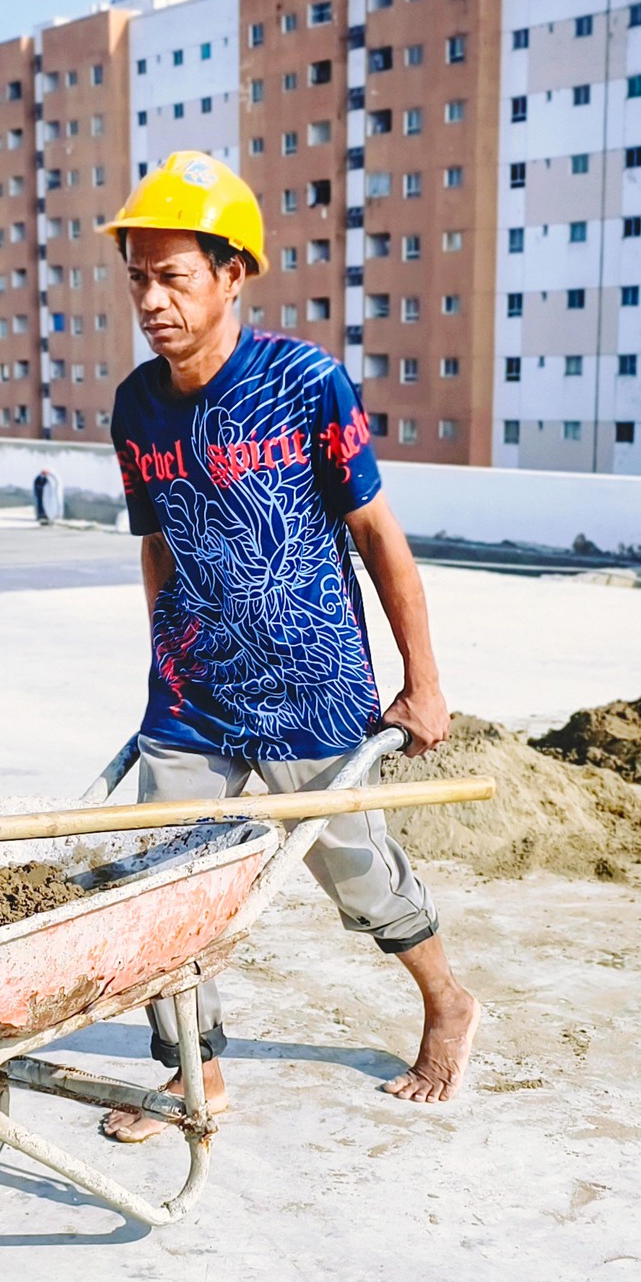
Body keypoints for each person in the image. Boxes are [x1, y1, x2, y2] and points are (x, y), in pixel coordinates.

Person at [95, 150, 479, 1141]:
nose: (151, 300)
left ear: (232, 275)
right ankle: (195, 1074)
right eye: (137, 277)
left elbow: (379, 537)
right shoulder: (137, 405)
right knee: (165, 885)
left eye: (172, 276)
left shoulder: (308, 385)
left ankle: (446, 1002)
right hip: (191, 693)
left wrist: (421, 681)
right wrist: (163, 659)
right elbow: (156, 542)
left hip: (313, 684)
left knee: (356, 869)